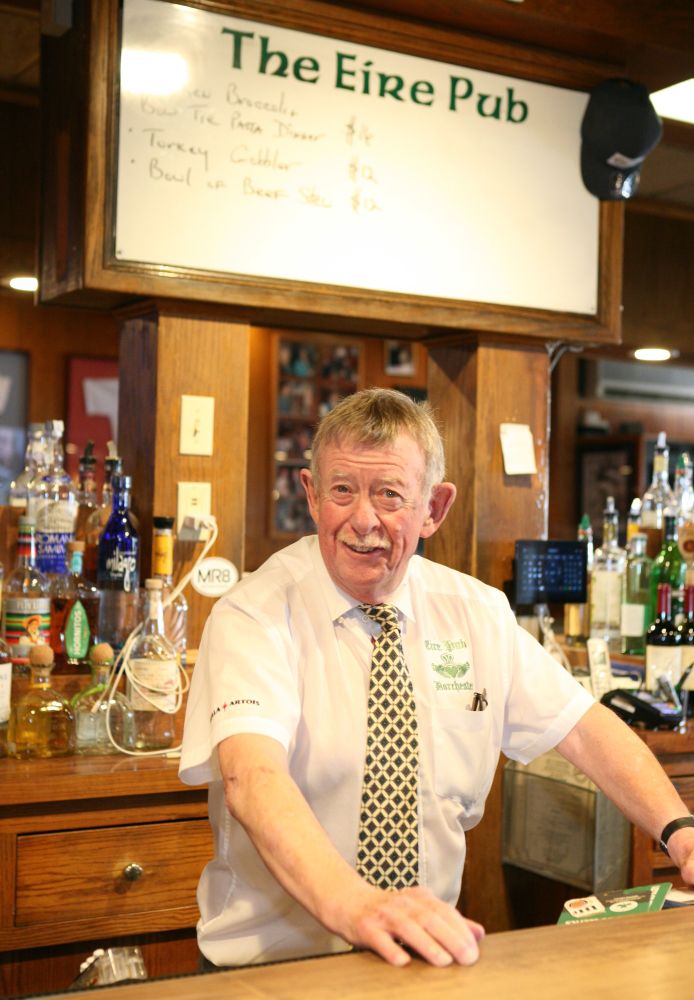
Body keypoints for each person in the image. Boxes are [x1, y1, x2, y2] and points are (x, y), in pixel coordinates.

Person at [180, 388, 694, 971]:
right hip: (272, 969)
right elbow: (252, 777)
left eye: (389, 494)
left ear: (434, 508)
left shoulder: (474, 612)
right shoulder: (254, 613)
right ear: (311, 494)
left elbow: (581, 726)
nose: (362, 519)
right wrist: (361, 908)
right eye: (342, 490)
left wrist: (680, 830)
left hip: (419, 959)